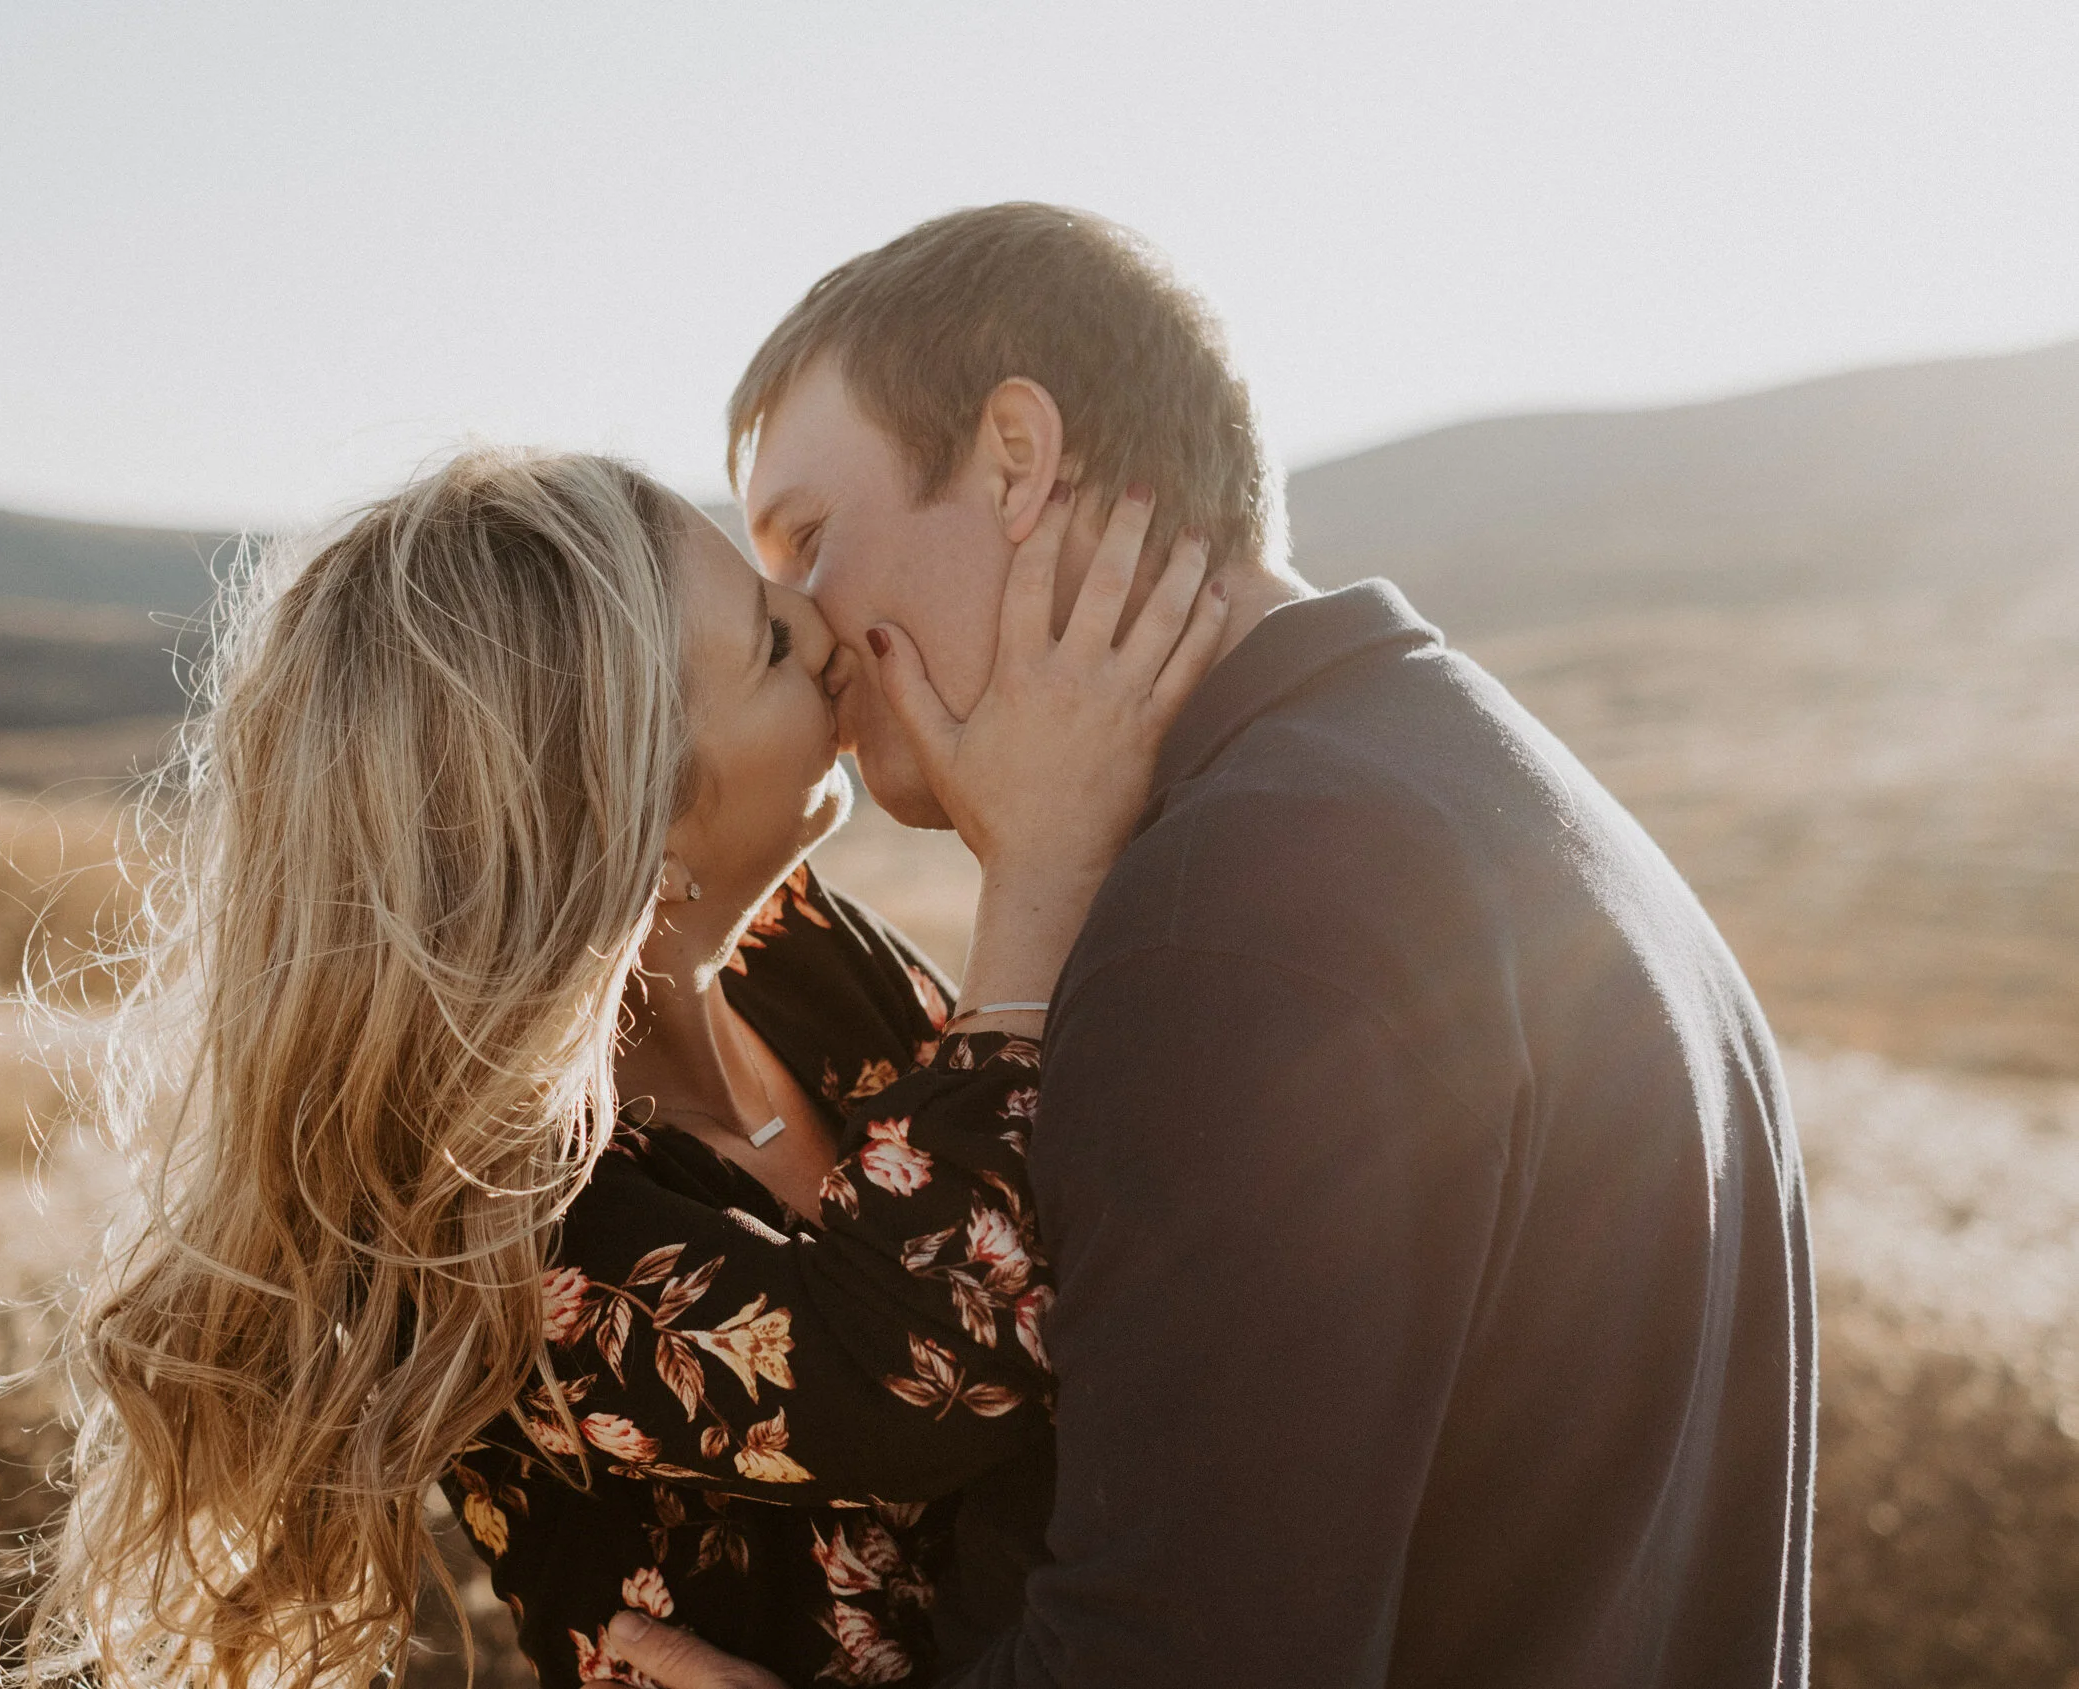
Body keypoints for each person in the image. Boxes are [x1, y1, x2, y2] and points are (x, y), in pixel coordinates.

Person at [591, 204, 1815, 1689]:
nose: (808, 622)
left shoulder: (1224, 934)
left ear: (1016, 460)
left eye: (808, 537)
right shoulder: (1483, 786)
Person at [14, 446, 1226, 1689]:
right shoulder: (495, 1222)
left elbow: (1046, 1200)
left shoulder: (795, 953)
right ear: (632, 825)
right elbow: (917, 1370)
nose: (821, 629)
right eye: (768, 644)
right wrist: (1043, 865)